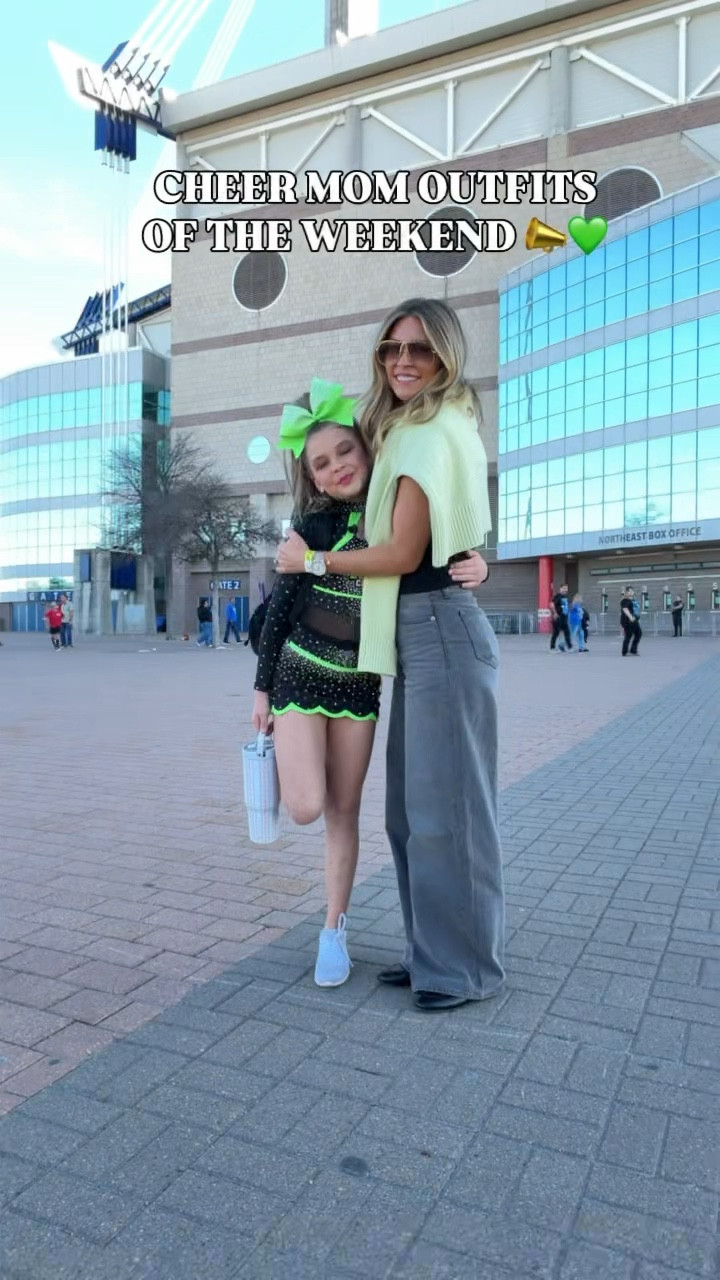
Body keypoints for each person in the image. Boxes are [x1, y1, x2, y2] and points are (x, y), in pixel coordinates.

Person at [276, 299, 503, 1012]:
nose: (403, 360)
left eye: (420, 350)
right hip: (417, 632)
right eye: (390, 349)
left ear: (446, 357)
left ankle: (463, 970)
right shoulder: (402, 427)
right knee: (408, 814)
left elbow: (407, 551)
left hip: (439, 625)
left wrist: (313, 562)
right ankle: (430, 948)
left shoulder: (432, 427)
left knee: (450, 811)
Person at [549, 583, 572, 652]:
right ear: (561, 589)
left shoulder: (565, 597)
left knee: (567, 632)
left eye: (566, 588)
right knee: (556, 633)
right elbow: (552, 604)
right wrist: (555, 613)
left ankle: (569, 647)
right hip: (558, 618)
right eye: (564, 588)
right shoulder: (557, 596)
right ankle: (552, 648)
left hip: (564, 618)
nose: (566, 590)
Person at [620, 587, 641, 655]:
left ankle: (633, 650)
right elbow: (625, 609)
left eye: (632, 591)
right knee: (628, 636)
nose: (632, 592)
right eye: (630, 591)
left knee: (638, 634)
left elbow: (636, 609)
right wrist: (631, 617)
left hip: (635, 620)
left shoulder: (633, 600)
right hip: (628, 621)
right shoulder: (624, 600)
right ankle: (624, 651)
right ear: (626, 592)